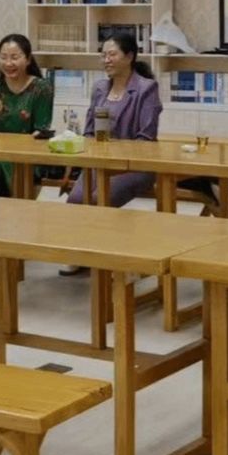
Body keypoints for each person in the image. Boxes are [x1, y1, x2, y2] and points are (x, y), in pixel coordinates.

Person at [59, 34, 162, 276]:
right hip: (99, 162)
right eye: (103, 55)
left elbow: (146, 139)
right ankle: (81, 253)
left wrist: (115, 151)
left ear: (129, 56)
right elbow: (89, 131)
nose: (106, 60)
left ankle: (106, 257)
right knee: (75, 201)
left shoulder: (146, 88)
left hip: (135, 166)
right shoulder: (99, 88)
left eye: (112, 54)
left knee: (98, 199)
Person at [0, 33, 54, 197]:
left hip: (29, 156)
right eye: (3, 57)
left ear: (28, 59)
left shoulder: (41, 88)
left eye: (14, 57)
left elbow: (41, 130)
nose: (8, 63)